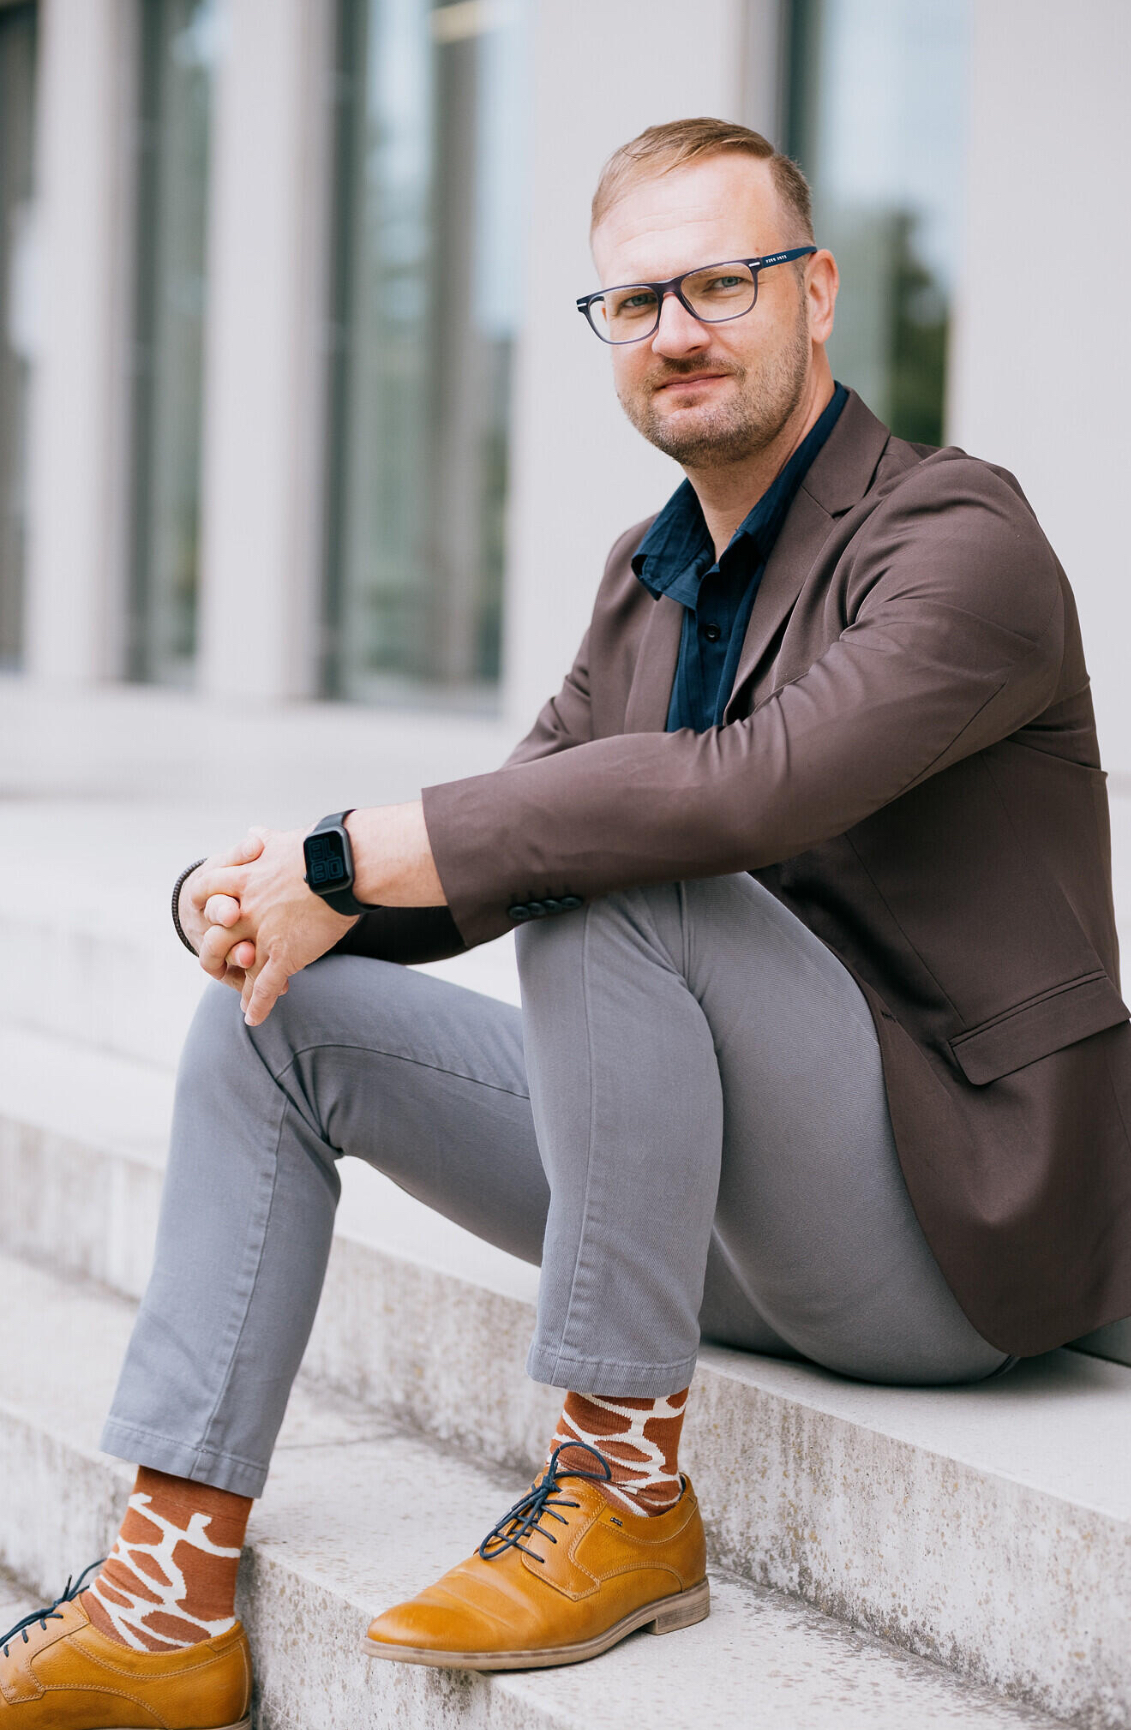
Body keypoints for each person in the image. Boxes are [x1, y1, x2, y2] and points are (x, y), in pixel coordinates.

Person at [7, 115, 1131, 1724]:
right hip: (712, 1206)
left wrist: (353, 852)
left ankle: (620, 1491)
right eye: (636, 300)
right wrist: (270, 894)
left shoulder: (961, 538)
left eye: (722, 284)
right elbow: (497, 842)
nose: (677, 330)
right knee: (280, 1020)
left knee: (629, 868)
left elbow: (741, 795)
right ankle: (165, 1598)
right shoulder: (647, 576)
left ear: (817, 292)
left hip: (943, 1225)